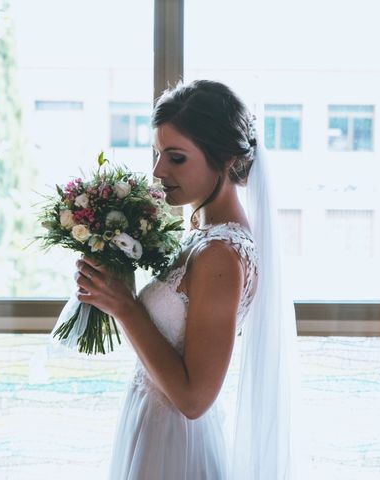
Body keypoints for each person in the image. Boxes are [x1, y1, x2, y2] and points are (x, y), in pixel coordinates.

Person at [73, 80, 299, 479]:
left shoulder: (220, 254)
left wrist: (124, 305)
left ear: (227, 159)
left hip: (174, 445)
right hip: (151, 426)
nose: (158, 171)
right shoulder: (200, 234)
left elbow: (194, 399)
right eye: (157, 154)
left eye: (176, 158)